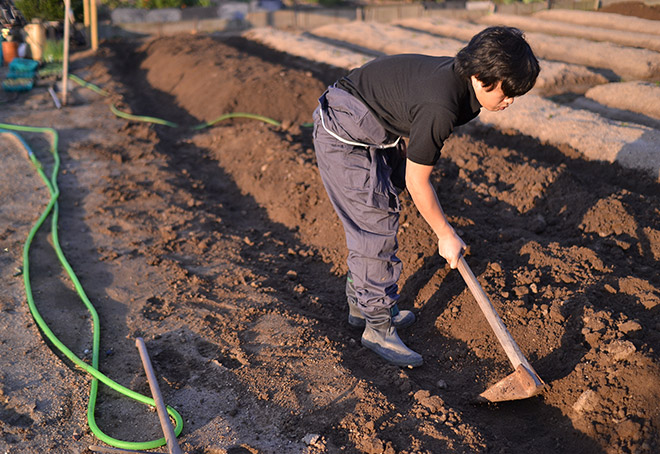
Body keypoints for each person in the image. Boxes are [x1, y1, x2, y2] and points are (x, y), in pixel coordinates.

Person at [312, 26, 540, 368]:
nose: (510, 101)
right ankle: (377, 325)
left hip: (370, 124)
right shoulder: (442, 103)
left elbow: (408, 116)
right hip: (344, 136)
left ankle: (362, 306)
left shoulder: (459, 83)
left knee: (382, 205)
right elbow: (418, 181)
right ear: (481, 76)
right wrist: (445, 234)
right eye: (508, 93)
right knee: (375, 223)